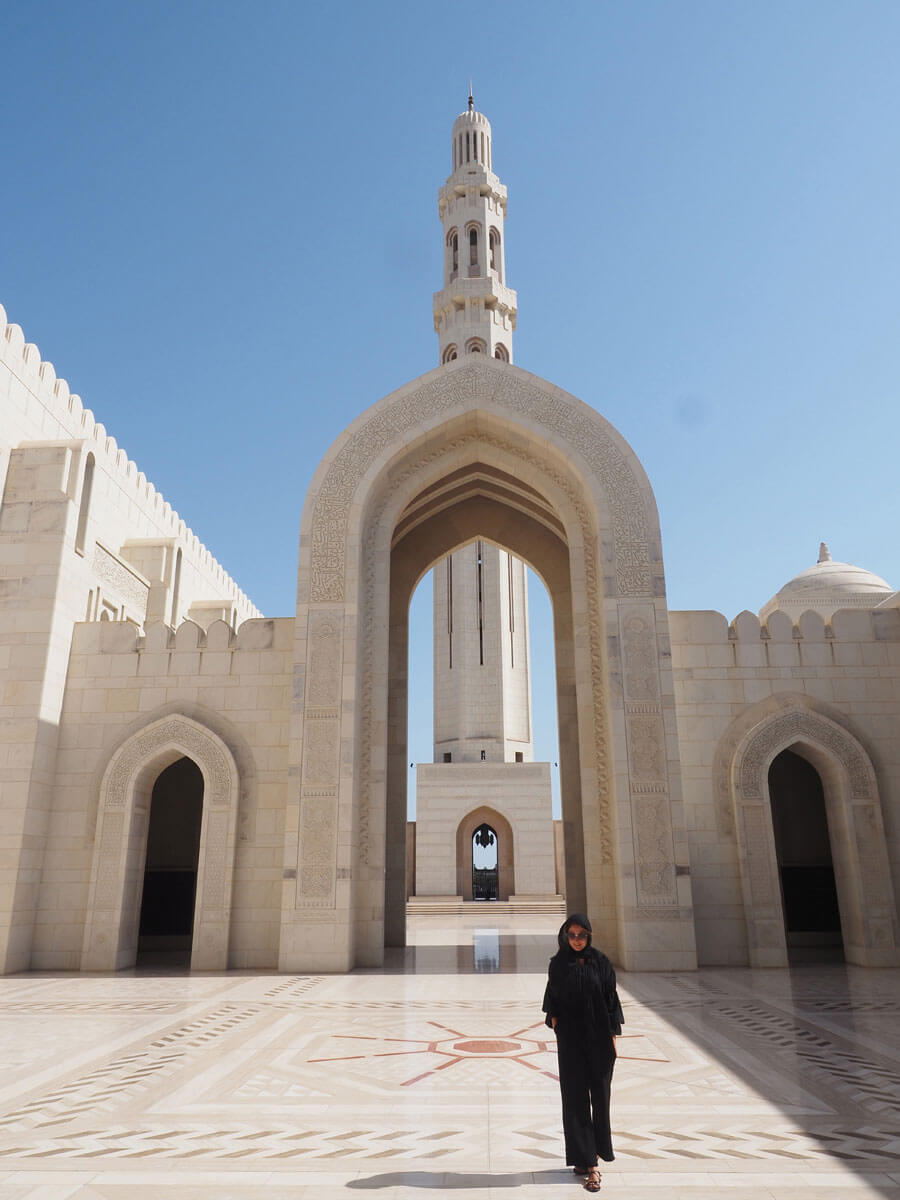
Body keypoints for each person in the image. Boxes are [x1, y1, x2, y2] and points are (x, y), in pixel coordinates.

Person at [542, 913, 623, 1192]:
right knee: (575, 1100)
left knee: (600, 1099)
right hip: (572, 1043)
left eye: (581, 935)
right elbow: (551, 999)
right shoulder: (558, 964)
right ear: (565, 936)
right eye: (572, 935)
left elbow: (612, 1001)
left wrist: (613, 1037)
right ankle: (587, 1162)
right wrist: (557, 1025)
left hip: (599, 1041)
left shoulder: (601, 963)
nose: (577, 940)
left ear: (589, 936)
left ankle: (594, 1158)